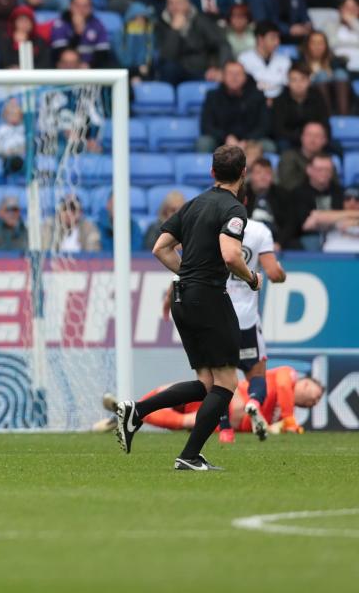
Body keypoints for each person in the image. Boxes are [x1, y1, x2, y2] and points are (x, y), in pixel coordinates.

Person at [114, 145, 261, 471]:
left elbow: (160, 248)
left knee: (208, 384)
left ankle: (137, 410)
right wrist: (252, 279)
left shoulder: (193, 204)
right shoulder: (234, 209)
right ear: (243, 173)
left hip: (183, 297)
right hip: (208, 296)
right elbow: (230, 255)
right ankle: (189, 456)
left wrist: (187, 274)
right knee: (226, 384)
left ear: (212, 173)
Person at [215, 216, 286, 442]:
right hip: (245, 319)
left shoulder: (213, 225)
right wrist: (280, 273)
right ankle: (254, 402)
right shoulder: (259, 230)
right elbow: (274, 274)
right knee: (256, 372)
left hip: (218, 315)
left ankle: (225, 430)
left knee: (220, 378)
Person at [98, 367, 324, 435]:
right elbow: (284, 386)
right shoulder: (289, 375)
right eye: (317, 394)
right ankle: (130, 410)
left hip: (225, 421)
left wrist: (281, 426)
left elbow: (263, 431)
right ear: (305, 384)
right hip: (228, 398)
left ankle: (125, 412)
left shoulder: (284, 418)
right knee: (170, 392)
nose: (316, 401)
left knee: (187, 421)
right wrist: (289, 419)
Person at [155, 0, 230, 85]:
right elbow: (166, 56)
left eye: (179, 2)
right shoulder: (161, 24)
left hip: (200, 70)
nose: (175, 7)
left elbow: (222, 45)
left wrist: (220, 69)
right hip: (172, 73)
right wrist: (174, 31)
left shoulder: (201, 20)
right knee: (168, 68)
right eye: (171, 3)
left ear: (187, 2)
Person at [197, 61, 274, 154]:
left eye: (238, 74)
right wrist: (226, 137)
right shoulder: (212, 96)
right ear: (223, 76)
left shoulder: (257, 96)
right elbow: (206, 125)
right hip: (221, 141)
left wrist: (247, 140)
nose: (234, 77)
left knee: (269, 146)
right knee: (203, 143)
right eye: (230, 74)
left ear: (245, 77)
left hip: (250, 142)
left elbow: (264, 126)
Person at [287, 153, 345, 250]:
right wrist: (333, 219)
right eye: (319, 169)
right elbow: (304, 225)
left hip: (337, 235)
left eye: (327, 170)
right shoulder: (298, 193)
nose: (324, 173)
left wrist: (317, 218)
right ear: (309, 170)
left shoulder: (339, 192)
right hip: (308, 237)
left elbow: (343, 219)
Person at [271, 64, 331, 152]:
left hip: (314, 138)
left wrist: (314, 137)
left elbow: (324, 123)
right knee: (282, 145)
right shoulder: (279, 101)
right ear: (288, 82)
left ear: (309, 81)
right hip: (290, 140)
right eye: (294, 80)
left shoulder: (318, 98)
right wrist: (302, 138)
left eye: (303, 79)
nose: (298, 84)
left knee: (335, 147)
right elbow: (278, 129)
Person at [50, 0, 111, 68]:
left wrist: (89, 66)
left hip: (91, 70)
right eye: (77, 6)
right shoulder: (60, 24)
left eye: (85, 6)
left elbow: (103, 54)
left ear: (91, 8)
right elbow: (59, 54)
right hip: (66, 70)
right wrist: (77, 33)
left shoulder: (97, 25)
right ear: (70, 6)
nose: (81, 9)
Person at [300, 30, 351, 116]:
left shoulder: (336, 62)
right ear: (307, 45)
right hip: (312, 99)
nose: (317, 46)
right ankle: (326, 116)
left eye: (320, 43)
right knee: (322, 75)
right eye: (314, 43)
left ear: (326, 46)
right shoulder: (300, 63)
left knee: (340, 73)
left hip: (335, 98)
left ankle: (344, 118)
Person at [245, 157, 292, 249]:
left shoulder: (282, 194)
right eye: (258, 173)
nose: (263, 177)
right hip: (247, 239)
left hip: (275, 239)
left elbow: (290, 223)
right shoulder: (242, 194)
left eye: (267, 173)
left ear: (272, 176)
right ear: (250, 175)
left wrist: (279, 243)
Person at [238, 21, 292, 100]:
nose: (277, 42)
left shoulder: (285, 61)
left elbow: (287, 85)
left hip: (280, 102)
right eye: (273, 38)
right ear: (260, 39)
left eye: (278, 38)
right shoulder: (244, 59)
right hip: (252, 102)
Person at [277, 121, 332, 190]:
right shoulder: (289, 157)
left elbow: (334, 185)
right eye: (309, 135)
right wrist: (311, 175)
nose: (313, 139)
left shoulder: (327, 160)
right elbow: (287, 184)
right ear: (302, 137)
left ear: (325, 140)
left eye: (317, 136)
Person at [0, 5, 52, 69]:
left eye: (27, 20)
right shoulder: (5, 39)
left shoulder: (40, 41)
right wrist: (17, 46)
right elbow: (5, 63)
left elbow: (45, 64)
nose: (24, 24)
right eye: (21, 20)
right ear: (14, 23)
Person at [306, 186, 359, 252]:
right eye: (347, 198)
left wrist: (354, 222)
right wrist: (350, 215)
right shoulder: (334, 218)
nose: (352, 202)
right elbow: (309, 224)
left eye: (357, 199)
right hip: (332, 257)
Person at [113, 1, 156, 83]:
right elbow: (123, 60)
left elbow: (150, 59)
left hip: (144, 74)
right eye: (136, 19)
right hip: (123, 73)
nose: (140, 22)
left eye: (143, 19)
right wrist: (137, 70)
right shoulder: (119, 35)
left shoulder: (149, 35)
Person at [0, 98, 26, 175]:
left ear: (21, 115)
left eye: (16, 114)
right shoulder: (1, 129)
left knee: (20, 161)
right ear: (5, 115)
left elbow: (27, 143)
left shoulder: (24, 129)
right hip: (5, 155)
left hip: (20, 155)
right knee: (7, 162)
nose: (13, 117)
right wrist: (3, 151)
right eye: (11, 114)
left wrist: (19, 149)